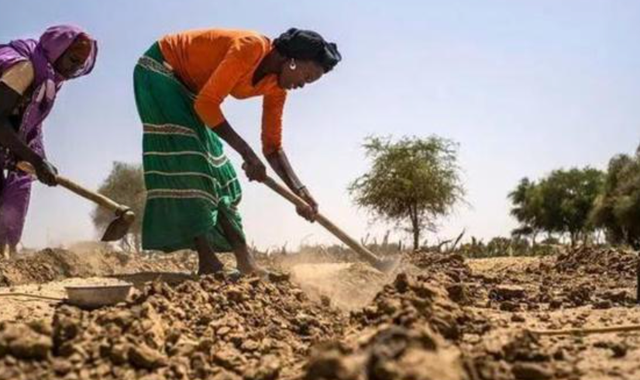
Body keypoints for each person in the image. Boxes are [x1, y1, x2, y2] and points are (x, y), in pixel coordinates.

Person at [133, 27, 341, 275]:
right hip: (159, 70)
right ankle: (208, 262)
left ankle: (244, 260)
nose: (302, 86)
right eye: (307, 78)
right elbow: (208, 104)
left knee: (221, 171)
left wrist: (300, 192)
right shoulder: (250, 47)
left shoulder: (276, 87)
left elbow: (272, 147)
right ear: (293, 61)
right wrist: (247, 154)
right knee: (193, 163)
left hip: (191, 91)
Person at [0, 25, 98, 257]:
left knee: (22, 180)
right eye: (73, 60)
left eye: (80, 65)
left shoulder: (49, 80)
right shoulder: (23, 67)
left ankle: (4, 254)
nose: (74, 69)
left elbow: (30, 127)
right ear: (57, 50)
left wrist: (39, 161)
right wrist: (34, 159)